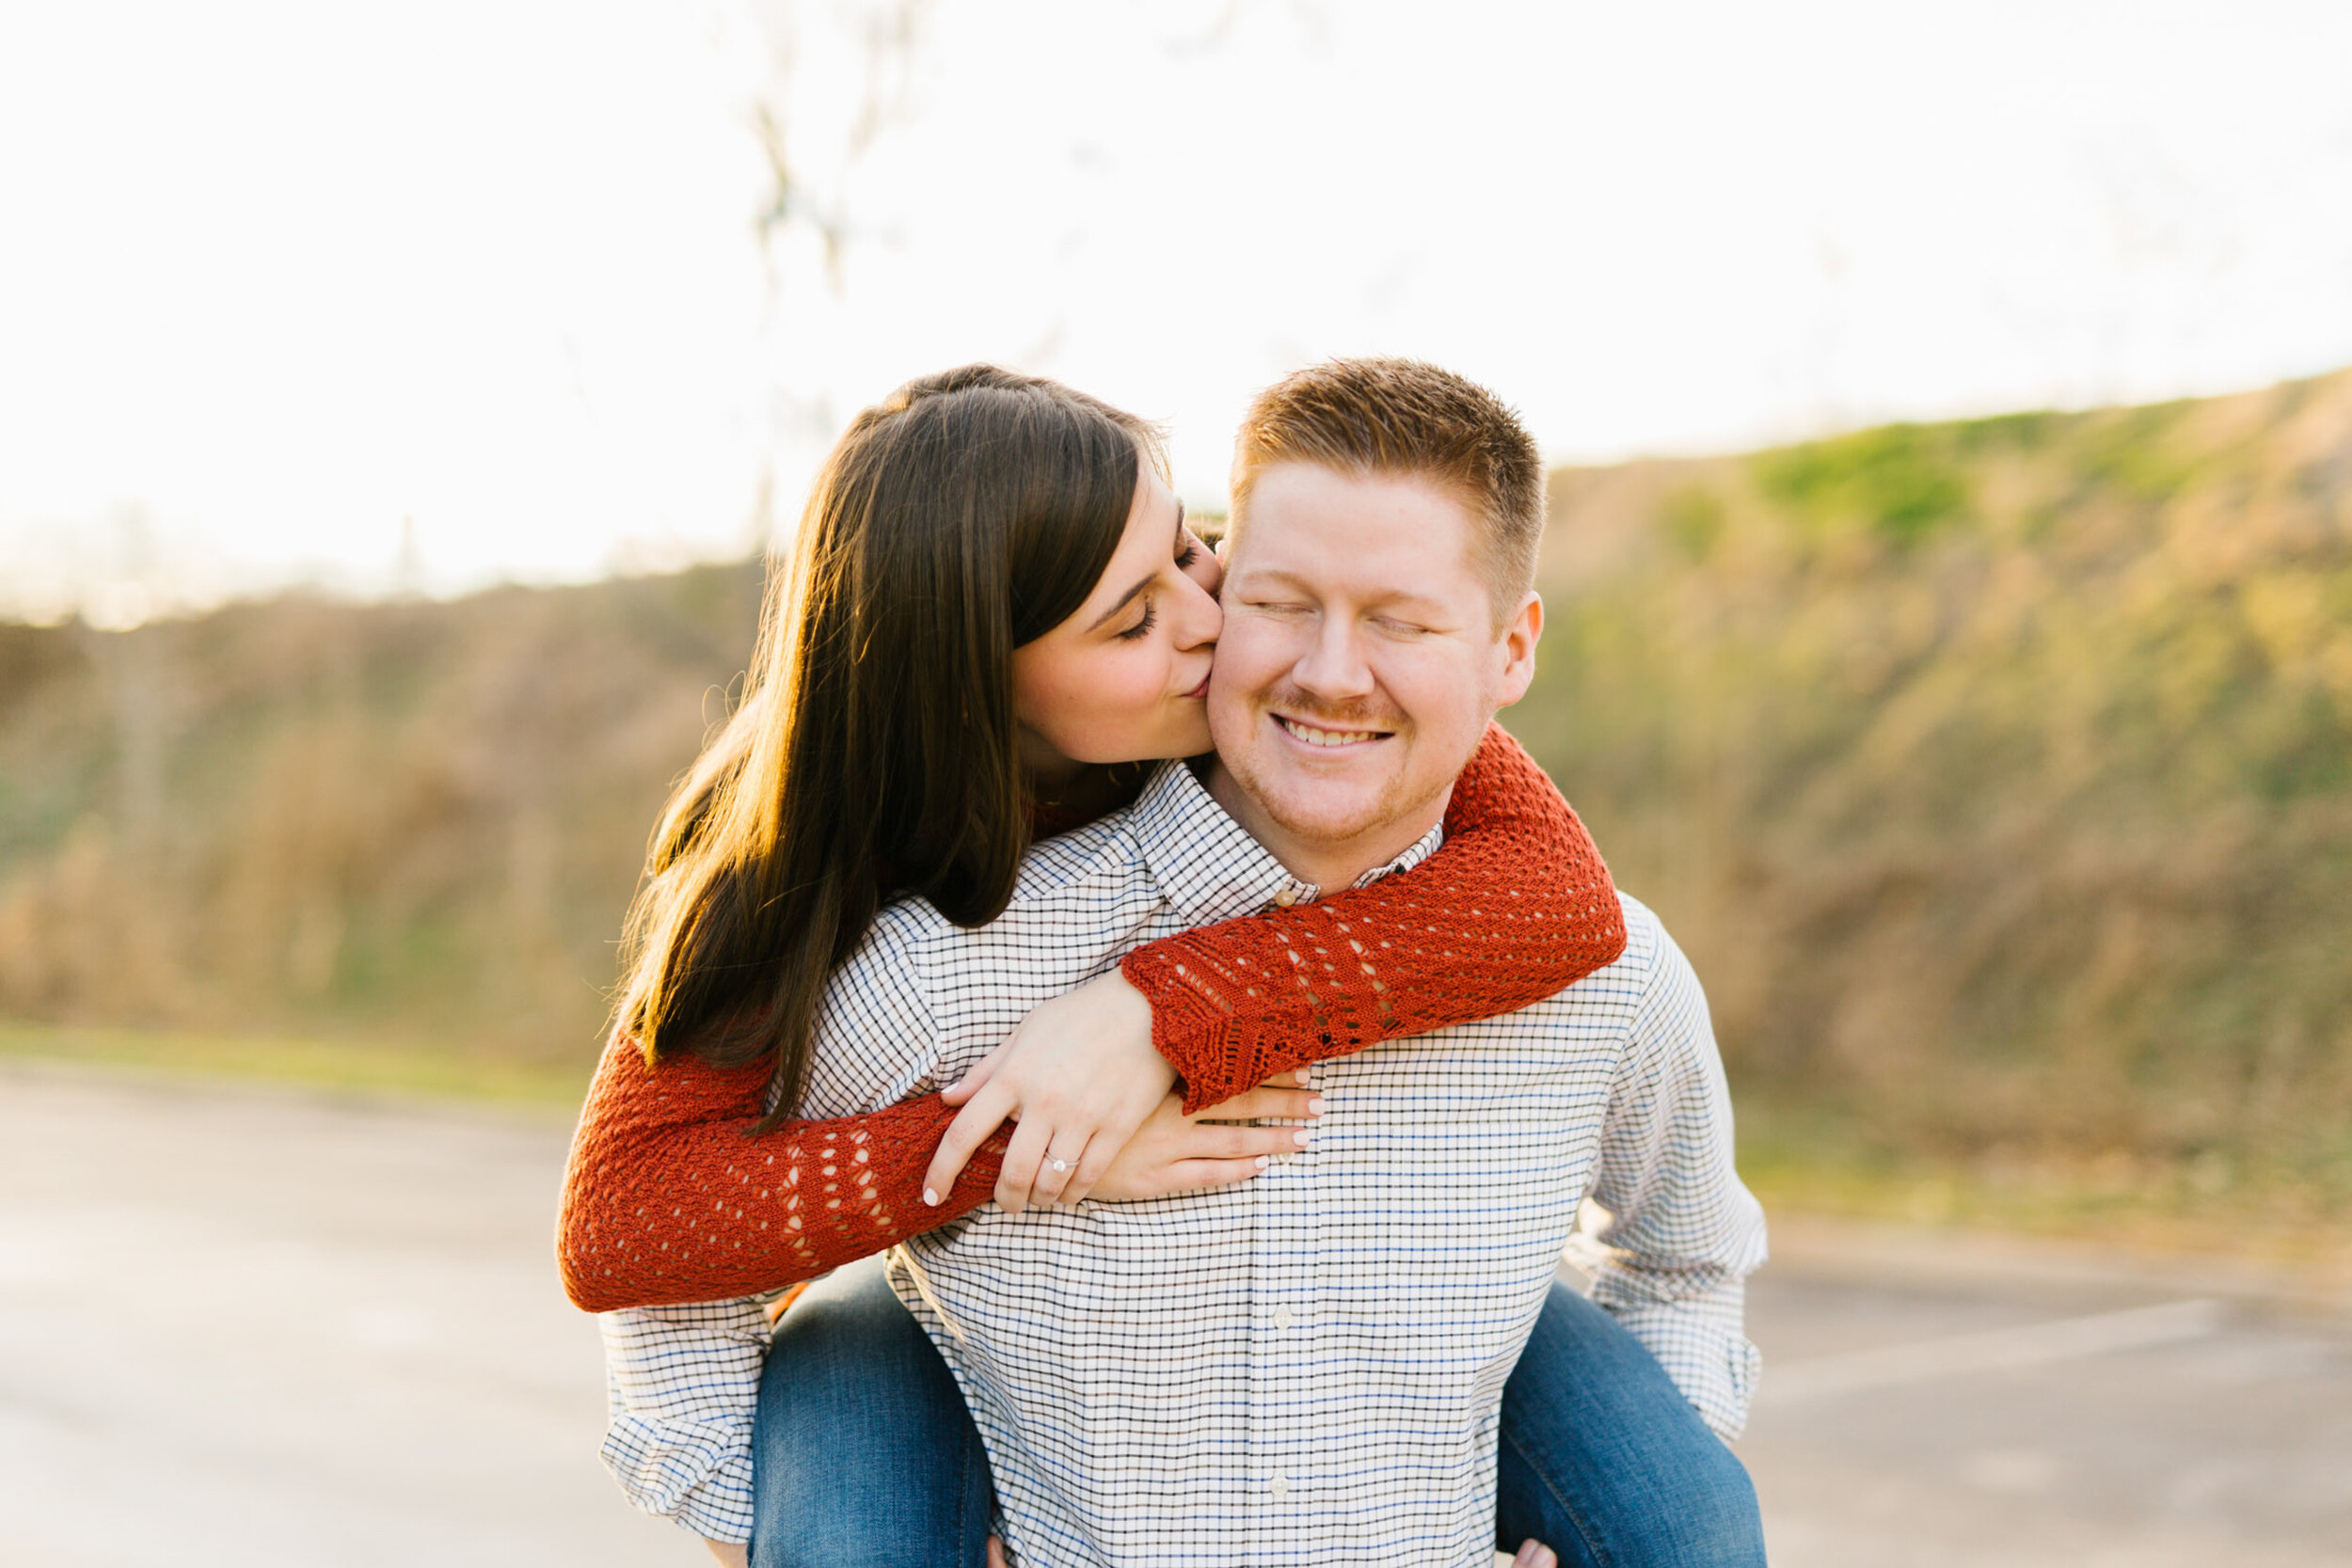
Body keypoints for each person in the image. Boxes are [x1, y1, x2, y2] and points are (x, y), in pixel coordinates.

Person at [567, 364, 1764, 1566]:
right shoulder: (904, 941)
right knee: (852, 1345)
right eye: (1266, 602)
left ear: (1511, 649)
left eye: (1191, 561)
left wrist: (1164, 1009)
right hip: (916, 1312)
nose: (1322, 668)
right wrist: (989, 1154)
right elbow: (641, 1241)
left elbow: (1682, 1238)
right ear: (995, 683)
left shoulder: (1586, 958)